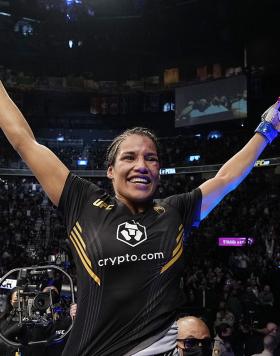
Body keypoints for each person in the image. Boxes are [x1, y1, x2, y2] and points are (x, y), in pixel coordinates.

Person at [0, 80, 280, 355]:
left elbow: (227, 177)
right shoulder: (83, 202)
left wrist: (268, 129)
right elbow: (24, 141)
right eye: (129, 157)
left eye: (151, 158)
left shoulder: (175, 211)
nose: (141, 166)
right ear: (110, 170)